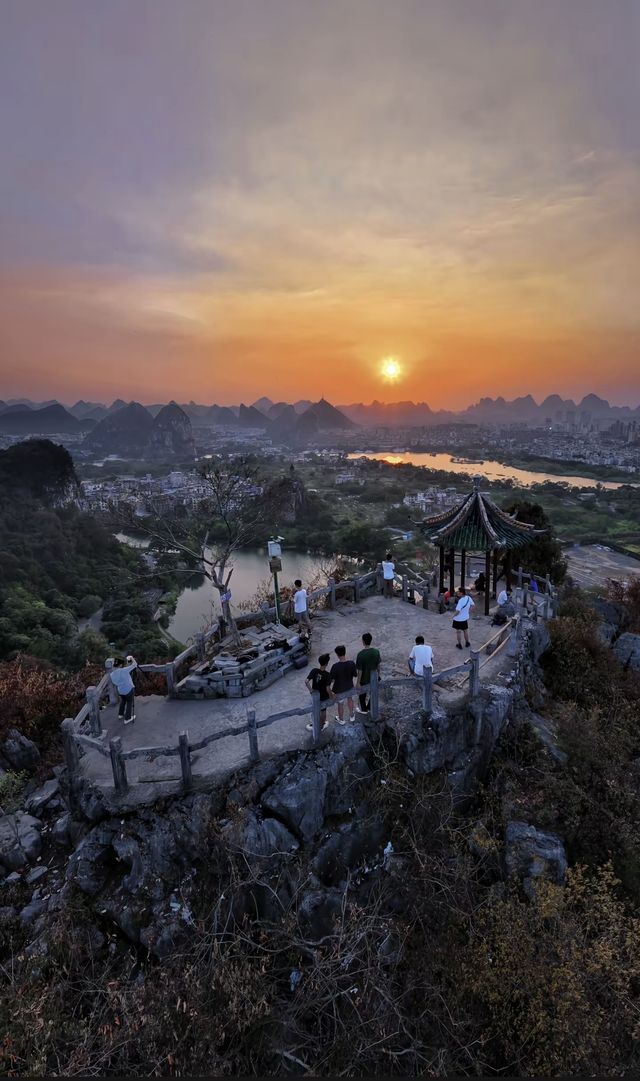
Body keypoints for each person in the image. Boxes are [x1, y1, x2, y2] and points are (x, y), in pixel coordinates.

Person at [305, 653, 333, 732]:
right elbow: (328, 689)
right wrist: (331, 697)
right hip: (324, 697)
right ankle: (321, 726)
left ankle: (315, 723)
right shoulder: (328, 675)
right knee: (323, 711)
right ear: (327, 663)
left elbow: (306, 681)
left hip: (315, 695)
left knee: (315, 709)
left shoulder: (314, 670)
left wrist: (311, 691)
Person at [329, 645, 357, 725]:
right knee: (350, 699)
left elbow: (332, 680)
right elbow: (355, 675)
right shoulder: (351, 663)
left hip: (339, 689)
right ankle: (352, 715)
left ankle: (341, 719)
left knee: (340, 703)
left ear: (337, 655)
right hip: (349, 686)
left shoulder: (335, 666)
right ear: (345, 652)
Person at [355, 632, 381, 714]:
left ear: (363, 641)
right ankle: (369, 707)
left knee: (362, 695)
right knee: (373, 693)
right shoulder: (376, 652)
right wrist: (378, 675)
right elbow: (378, 665)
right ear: (371, 640)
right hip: (373, 677)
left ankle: (364, 710)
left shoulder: (360, 654)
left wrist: (358, 682)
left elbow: (360, 670)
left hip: (364, 679)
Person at [110, 654, 138, 724]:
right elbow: (135, 665)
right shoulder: (124, 670)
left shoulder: (112, 674)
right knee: (129, 702)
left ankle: (120, 714)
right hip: (129, 690)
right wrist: (132, 658)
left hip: (120, 691)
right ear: (120, 665)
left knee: (123, 701)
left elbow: (115, 682)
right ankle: (127, 718)